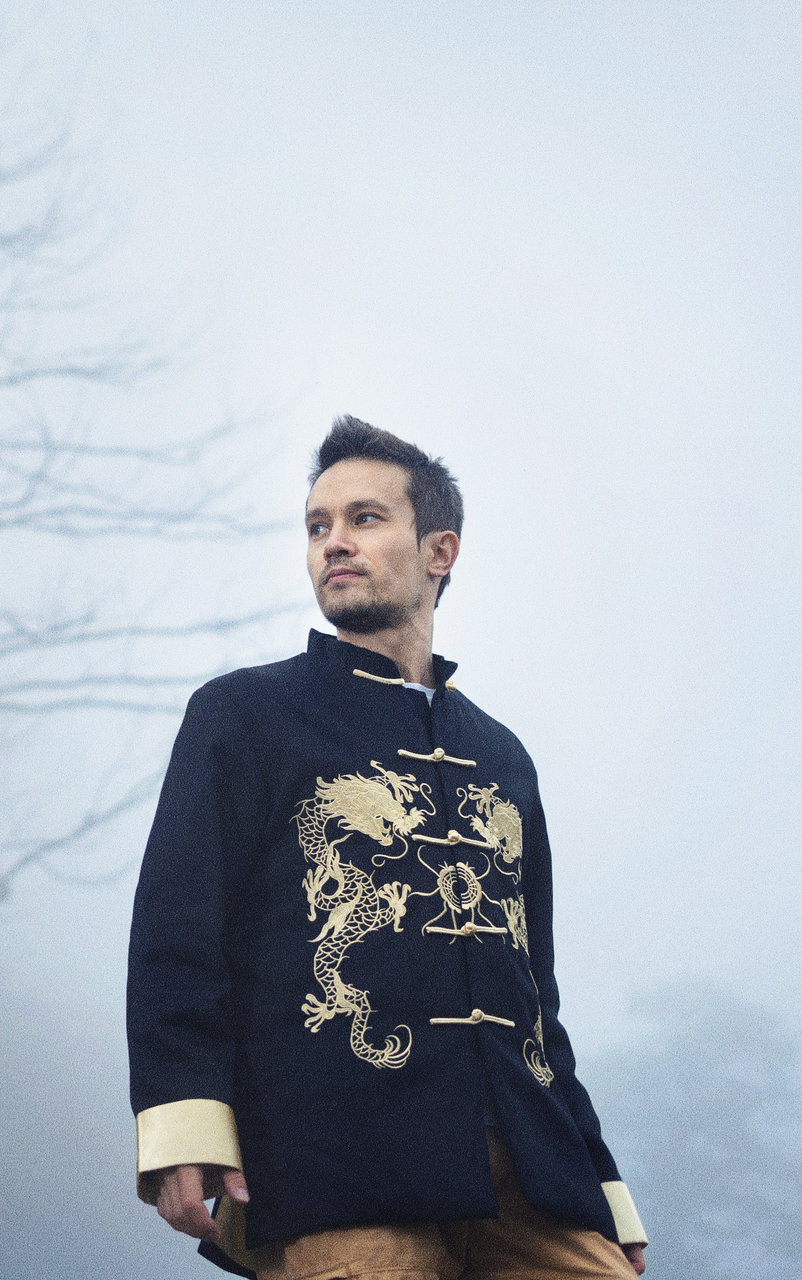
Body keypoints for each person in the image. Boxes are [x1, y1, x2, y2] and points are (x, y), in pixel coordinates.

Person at [126, 417, 647, 1279]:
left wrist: (601, 1183)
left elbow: (534, 995)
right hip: (337, 1163)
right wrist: (182, 1123)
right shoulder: (243, 715)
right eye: (317, 525)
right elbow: (177, 937)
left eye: (363, 518)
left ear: (440, 551)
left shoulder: (502, 755)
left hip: (532, 1177)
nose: (333, 542)